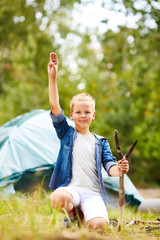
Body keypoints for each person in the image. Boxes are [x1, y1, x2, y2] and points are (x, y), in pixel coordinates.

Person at [48, 52, 129, 231]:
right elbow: (55, 106)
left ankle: (84, 216)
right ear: (71, 115)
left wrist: (120, 168)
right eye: (78, 112)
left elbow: (111, 168)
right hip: (72, 190)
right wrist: (53, 77)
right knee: (58, 197)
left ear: (93, 115)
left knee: (99, 228)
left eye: (87, 112)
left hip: (93, 194)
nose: (82, 115)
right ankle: (72, 217)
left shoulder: (101, 142)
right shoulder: (66, 133)